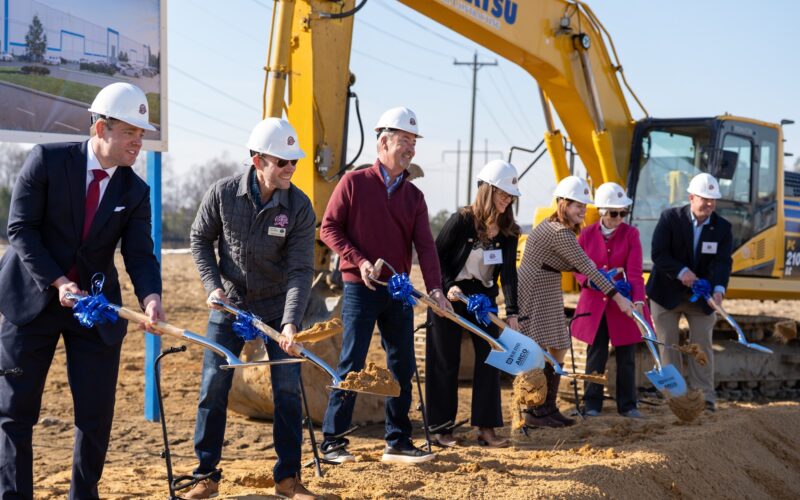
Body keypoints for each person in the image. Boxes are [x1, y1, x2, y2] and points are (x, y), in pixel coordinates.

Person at [0, 82, 164, 499]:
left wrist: (151, 298)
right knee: (15, 412)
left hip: (93, 306)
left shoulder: (136, 191)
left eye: (141, 134)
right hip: (31, 299)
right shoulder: (47, 161)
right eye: (130, 132)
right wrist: (57, 281)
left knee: (95, 414)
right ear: (100, 129)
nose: (137, 142)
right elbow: (21, 229)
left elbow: (140, 254)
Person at [185, 118, 317, 499]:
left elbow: (300, 270)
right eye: (283, 162)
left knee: (288, 389)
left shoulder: (299, 207)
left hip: (277, 308)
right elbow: (200, 239)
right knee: (213, 385)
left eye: (295, 162)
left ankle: (287, 478)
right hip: (231, 305)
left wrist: (291, 322)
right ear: (258, 161)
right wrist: (213, 287)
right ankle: (205, 475)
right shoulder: (223, 194)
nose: (291, 169)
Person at [319, 106, 451, 464]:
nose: (410, 148)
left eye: (413, 142)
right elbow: (328, 228)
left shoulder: (414, 197)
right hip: (360, 288)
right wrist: (359, 261)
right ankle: (333, 441)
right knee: (353, 363)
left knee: (402, 365)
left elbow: (425, 247)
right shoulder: (353, 183)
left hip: (399, 291)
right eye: (404, 141)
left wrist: (436, 289)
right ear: (383, 142)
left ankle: (397, 440)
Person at [517, 176, 634, 428]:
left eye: (584, 205)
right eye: (576, 205)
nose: (582, 210)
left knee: (558, 344)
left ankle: (546, 408)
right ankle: (534, 410)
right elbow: (588, 268)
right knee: (537, 348)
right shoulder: (560, 233)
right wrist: (620, 298)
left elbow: (582, 267)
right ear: (561, 204)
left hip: (547, 283)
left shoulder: (560, 229)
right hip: (537, 286)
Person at [425, 160, 520, 448]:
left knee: (491, 358)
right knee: (445, 361)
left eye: (510, 196)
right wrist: (444, 287)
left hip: (483, 299)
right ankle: (442, 430)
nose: (507, 200)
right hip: (450, 296)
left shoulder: (509, 231)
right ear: (487, 190)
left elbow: (509, 275)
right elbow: (434, 258)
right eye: (503, 193)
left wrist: (513, 312)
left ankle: (486, 429)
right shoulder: (461, 220)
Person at [646, 172, 732, 412]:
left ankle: (705, 396)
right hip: (666, 293)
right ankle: (674, 397)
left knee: (702, 344)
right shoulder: (670, 219)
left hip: (701, 298)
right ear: (691, 197)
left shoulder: (723, 228)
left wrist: (718, 290)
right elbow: (659, 254)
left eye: (713, 200)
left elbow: (723, 262)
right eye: (705, 198)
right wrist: (682, 271)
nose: (709, 204)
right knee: (668, 345)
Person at [572, 182, 649, 418]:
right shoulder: (585, 234)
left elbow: (635, 273)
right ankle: (592, 403)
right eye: (614, 213)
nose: (619, 218)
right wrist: (588, 280)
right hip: (595, 305)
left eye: (623, 213)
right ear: (602, 212)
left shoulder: (631, 234)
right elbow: (576, 267)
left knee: (626, 355)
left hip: (622, 304)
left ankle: (628, 405)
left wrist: (638, 301)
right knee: (596, 354)